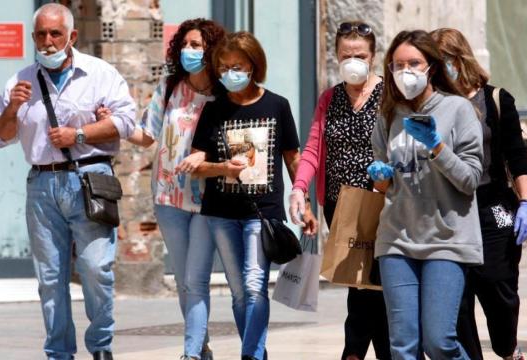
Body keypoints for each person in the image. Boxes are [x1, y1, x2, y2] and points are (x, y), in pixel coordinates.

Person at [0, 4, 135, 360]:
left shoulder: (99, 73)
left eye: (55, 34)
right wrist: (11, 109)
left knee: (95, 268)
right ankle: (59, 353)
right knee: (50, 278)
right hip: (42, 186)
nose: (48, 42)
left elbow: (127, 121)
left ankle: (100, 345)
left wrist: (79, 133)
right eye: (41, 34)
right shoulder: (19, 81)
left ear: (72, 36)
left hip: (90, 180)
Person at [190, 31, 311, 360]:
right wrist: (219, 168)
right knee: (240, 291)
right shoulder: (213, 110)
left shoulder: (277, 105)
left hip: (263, 211)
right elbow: (198, 164)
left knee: (255, 283)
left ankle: (252, 355)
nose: (231, 73)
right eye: (225, 67)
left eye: (238, 66)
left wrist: (304, 199)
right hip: (221, 212)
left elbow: (293, 157)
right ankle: (256, 353)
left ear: (254, 66)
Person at [367, 29, 484, 359]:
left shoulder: (458, 109)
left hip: (447, 240)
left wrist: (436, 146)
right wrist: (380, 178)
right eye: (397, 64)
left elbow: (470, 179)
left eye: (414, 63)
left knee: (438, 342)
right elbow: (386, 181)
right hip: (396, 238)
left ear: (431, 67)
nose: (406, 71)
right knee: (403, 346)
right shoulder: (388, 114)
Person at [124, 18, 226, 360]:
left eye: (197, 45)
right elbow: (147, 135)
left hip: (207, 199)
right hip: (168, 197)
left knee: (196, 278)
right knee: (184, 279)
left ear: (212, 50)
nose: (189, 51)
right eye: (185, 44)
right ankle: (201, 344)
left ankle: (191, 352)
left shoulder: (224, 92)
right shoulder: (169, 87)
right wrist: (119, 124)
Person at [289, 21, 390, 360]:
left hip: (383, 204)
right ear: (335, 56)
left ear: (373, 56)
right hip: (341, 206)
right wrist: (299, 188)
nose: (352, 61)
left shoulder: (389, 94)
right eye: (346, 55)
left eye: (359, 55)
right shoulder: (329, 98)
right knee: (359, 281)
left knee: (374, 284)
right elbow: (314, 148)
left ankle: (355, 352)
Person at [431, 28, 527, 360]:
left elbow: (518, 159)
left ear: (460, 59)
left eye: (444, 60)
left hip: (493, 206)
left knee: (499, 286)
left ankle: (507, 347)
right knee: (457, 302)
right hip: (449, 210)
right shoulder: (434, 103)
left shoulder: (496, 99)